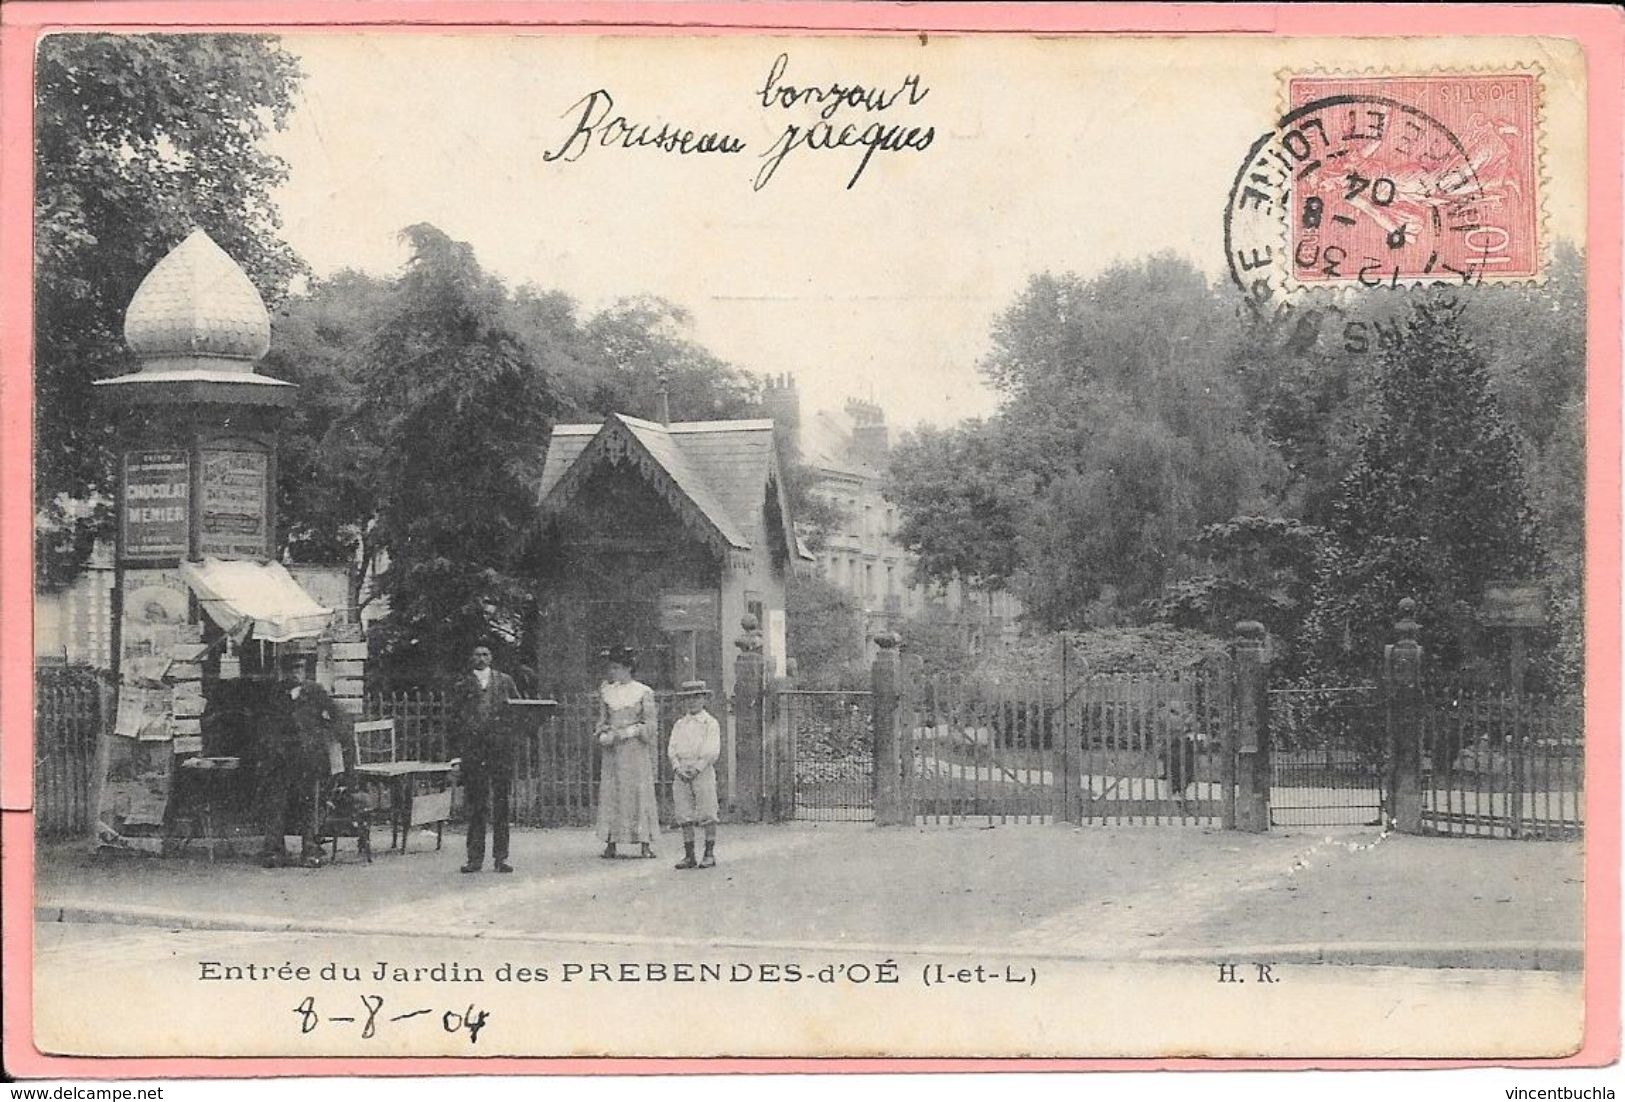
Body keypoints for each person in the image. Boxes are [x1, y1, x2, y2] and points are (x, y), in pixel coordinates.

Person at [255, 647, 343, 869]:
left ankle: (310, 850)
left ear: (306, 671)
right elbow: (264, 724)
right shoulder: (274, 693)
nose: (296, 673)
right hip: (280, 759)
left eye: (301, 668)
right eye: (292, 669)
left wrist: (324, 734)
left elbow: (337, 717)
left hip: (309, 759)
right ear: (284, 672)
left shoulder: (316, 692)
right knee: (276, 803)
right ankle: (274, 851)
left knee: (309, 805)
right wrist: (270, 746)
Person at [450, 641, 520, 874]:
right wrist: (457, 754)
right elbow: (455, 721)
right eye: (477, 654)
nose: (481, 658)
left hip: (500, 751)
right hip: (474, 752)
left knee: (501, 804)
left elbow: (517, 710)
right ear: (471, 658)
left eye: (485, 654)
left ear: (491, 658)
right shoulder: (462, 685)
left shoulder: (505, 681)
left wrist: (508, 735)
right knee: (477, 805)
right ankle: (474, 859)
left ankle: (501, 858)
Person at [595, 645, 659, 859]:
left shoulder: (643, 692)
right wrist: (604, 733)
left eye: (616, 668)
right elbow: (601, 722)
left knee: (637, 793)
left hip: (634, 751)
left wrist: (629, 732)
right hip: (613, 752)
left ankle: (644, 843)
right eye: (611, 668)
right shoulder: (606, 690)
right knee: (613, 793)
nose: (612, 672)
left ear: (628, 668)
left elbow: (650, 727)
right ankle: (611, 842)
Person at [668, 680, 721, 870]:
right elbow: (672, 748)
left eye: (696, 698)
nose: (692, 702)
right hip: (682, 771)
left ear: (704, 700)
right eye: (687, 699)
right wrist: (677, 767)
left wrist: (698, 767)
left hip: (702, 771)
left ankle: (709, 853)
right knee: (684, 813)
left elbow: (712, 749)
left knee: (707, 811)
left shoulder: (710, 723)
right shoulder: (680, 724)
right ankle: (689, 855)